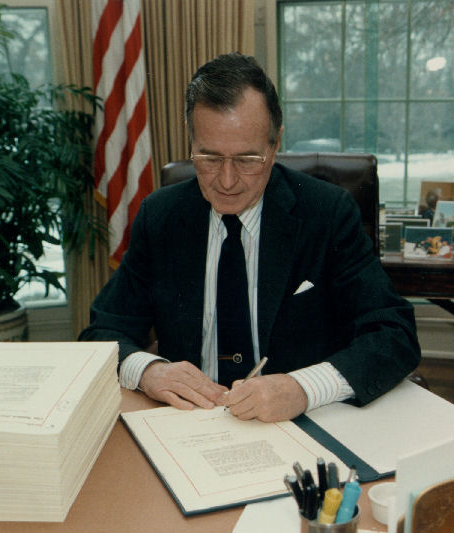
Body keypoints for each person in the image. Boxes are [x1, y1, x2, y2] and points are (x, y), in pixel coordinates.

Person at [79, 53, 420, 423]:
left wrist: (303, 388)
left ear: (274, 146)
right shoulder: (160, 216)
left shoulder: (327, 213)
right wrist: (148, 372)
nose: (226, 181)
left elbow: (394, 333)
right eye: (209, 157)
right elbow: (102, 332)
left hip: (300, 423)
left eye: (246, 160)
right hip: (187, 424)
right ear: (191, 143)